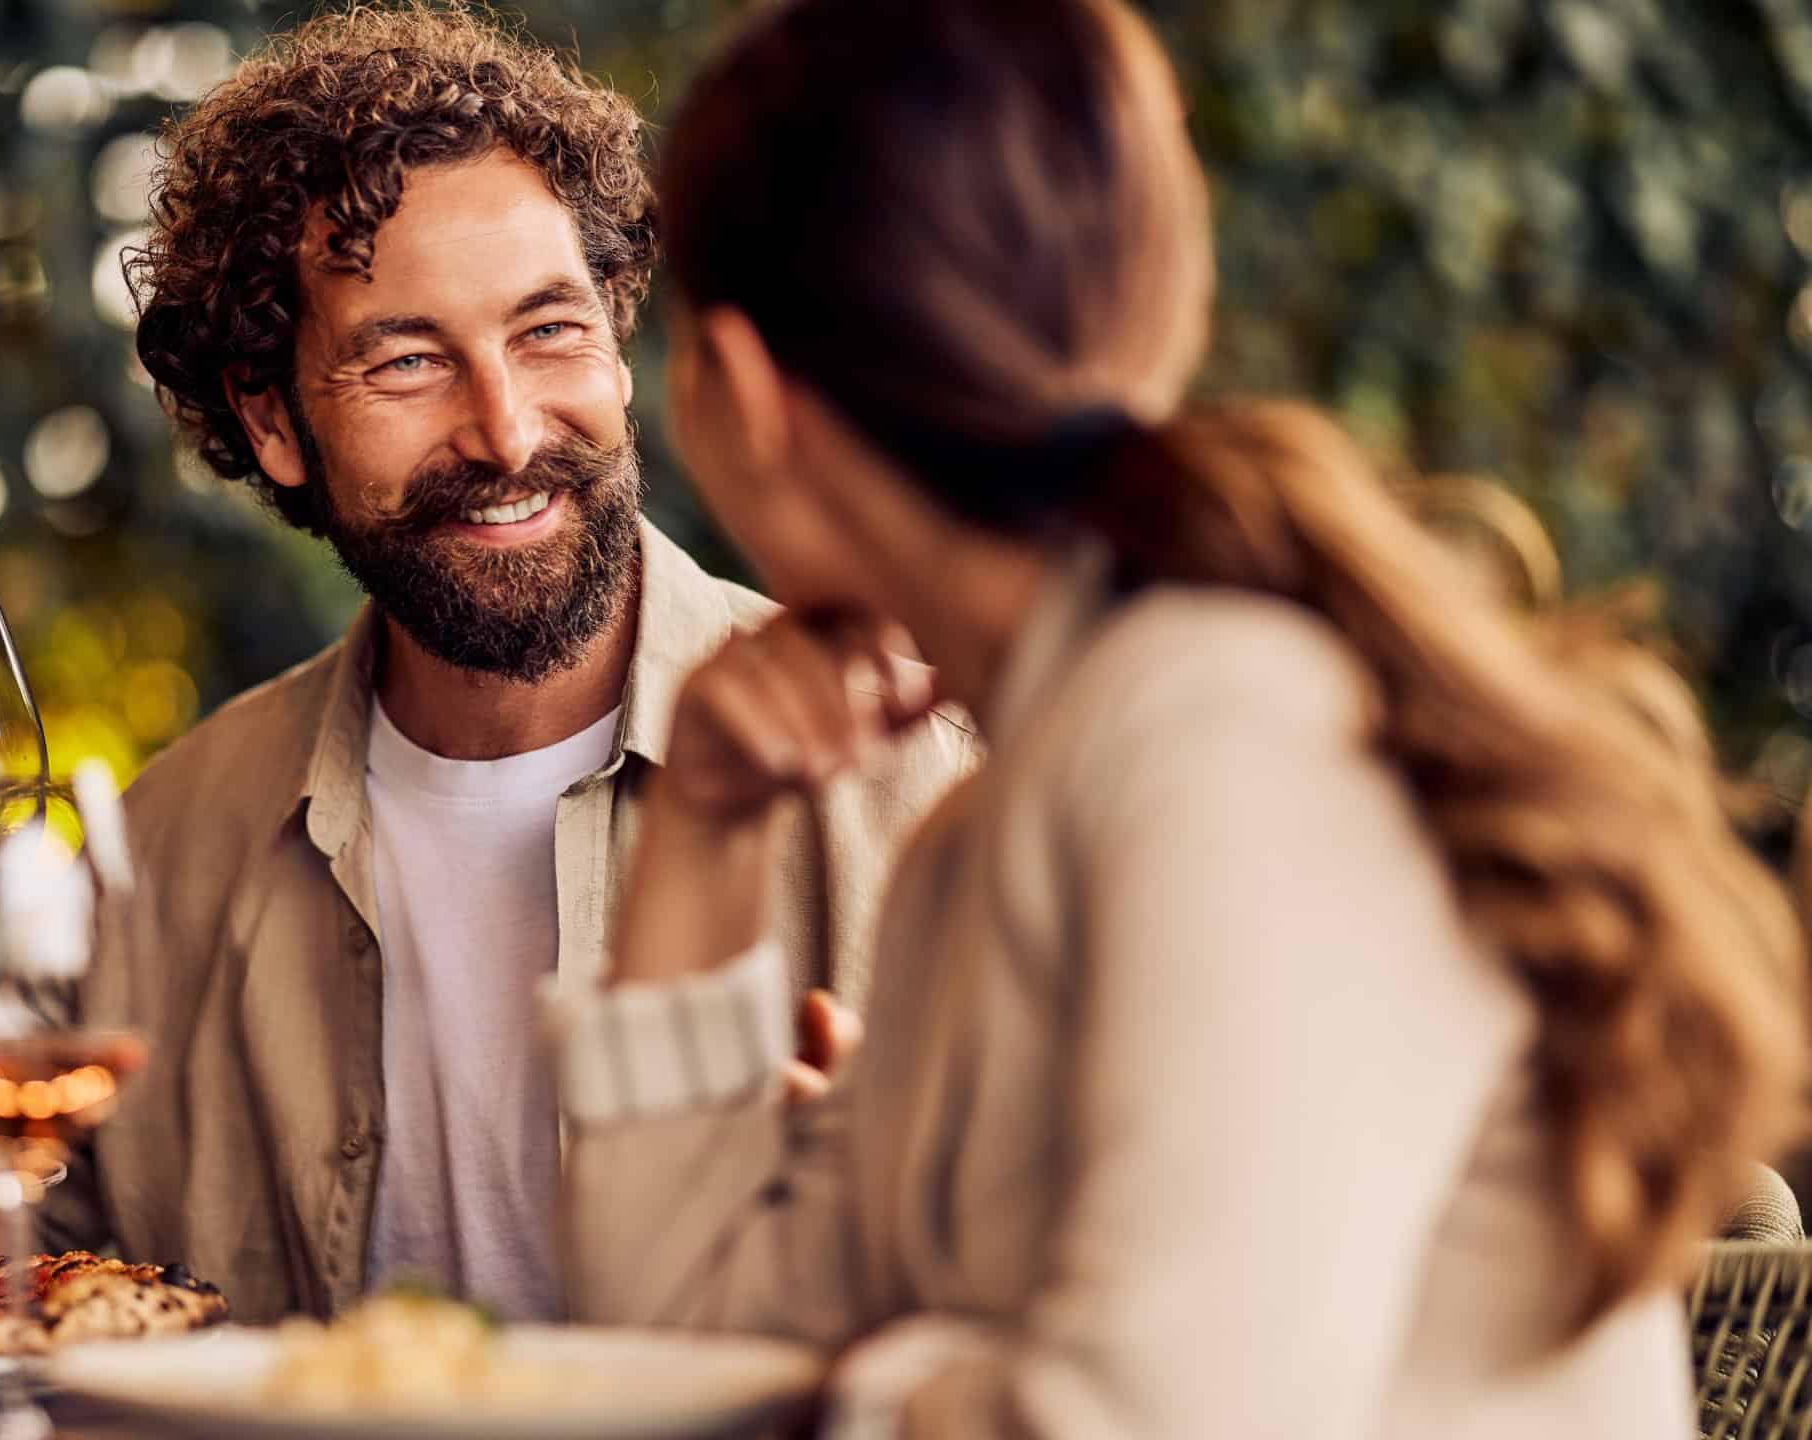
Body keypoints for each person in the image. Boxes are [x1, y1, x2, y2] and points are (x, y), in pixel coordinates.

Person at [549, 0, 1807, 1434]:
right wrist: (704, 828)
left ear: (744, 393)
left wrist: (878, 1382)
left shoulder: (1226, 735)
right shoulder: (1005, 814)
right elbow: (681, 1343)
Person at [0, 4, 976, 1325]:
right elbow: (12, 1295)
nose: (508, 431)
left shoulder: (938, 782)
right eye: (408, 359)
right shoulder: (167, 856)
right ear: (272, 418)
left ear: (620, 348)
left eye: (549, 331)